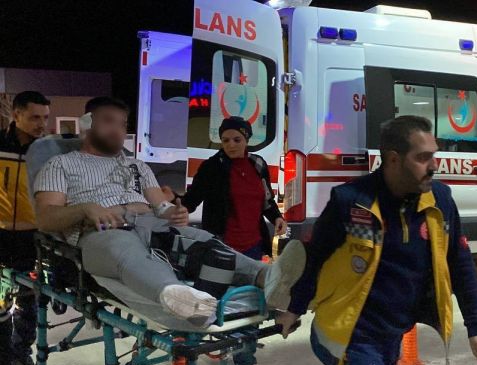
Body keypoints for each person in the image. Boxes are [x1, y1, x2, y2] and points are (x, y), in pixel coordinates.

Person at [277, 116, 477, 365]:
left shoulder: (439, 201)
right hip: (353, 333)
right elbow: (316, 258)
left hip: (393, 332)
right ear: (394, 159)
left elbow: (460, 263)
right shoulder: (352, 201)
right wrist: (294, 308)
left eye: (434, 155)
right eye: (423, 157)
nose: (434, 165)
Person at [32, 97, 305, 331]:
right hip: (101, 233)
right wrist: (85, 208)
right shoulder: (61, 165)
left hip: (150, 225)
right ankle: (178, 296)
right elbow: (46, 219)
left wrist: (175, 213)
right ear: (87, 123)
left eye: (122, 124)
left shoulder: (137, 166)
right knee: (124, 249)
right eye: (108, 121)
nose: (117, 130)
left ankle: (269, 277)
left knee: (203, 240)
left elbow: (161, 208)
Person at [162, 116, 286, 365]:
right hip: (223, 249)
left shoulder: (258, 164)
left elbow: (266, 199)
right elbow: (192, 200)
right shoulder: (212, 167)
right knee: (226, 306)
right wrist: (175, 202)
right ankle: (230, 354)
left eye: (236, 139)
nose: (230, 145)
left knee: (252, 304)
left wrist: (277, 217)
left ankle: (244, 359)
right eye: (225, 140)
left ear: (247, 139)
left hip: (253, 245)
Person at [0, 91, 51, 365]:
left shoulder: (47, 151)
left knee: (29, 304)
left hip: (33, 241)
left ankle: (21, 357)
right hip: (0, 237)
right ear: (15, 114)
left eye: (45, 117)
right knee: (0, 309)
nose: (41, 124)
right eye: (34, 117)